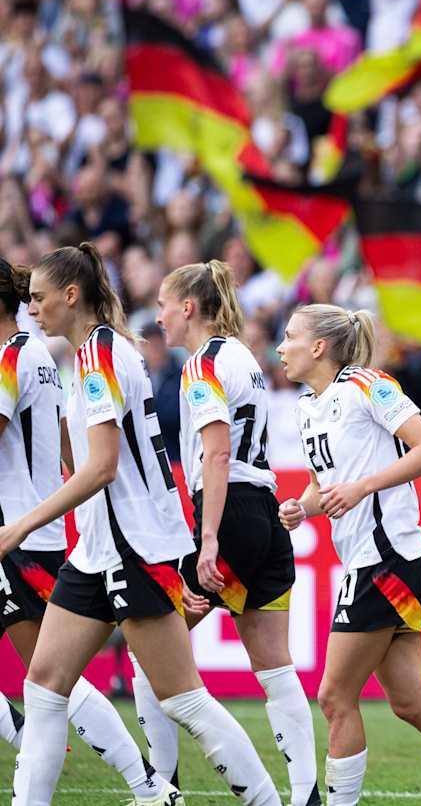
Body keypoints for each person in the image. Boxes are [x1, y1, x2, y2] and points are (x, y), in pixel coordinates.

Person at [0, 244, 281, 806]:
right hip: (99, 549)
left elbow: (102, 467)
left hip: (133, 546)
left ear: (70, 296)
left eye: (39, 298)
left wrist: (21, 526)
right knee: (45, 687)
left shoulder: (99, 356)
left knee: (183, 698)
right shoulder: (97, 353)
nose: (31, 309)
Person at [276, 304, 421, 806]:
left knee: (334, 697)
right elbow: (322, 484)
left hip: (384, 559)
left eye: (289, 337)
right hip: (372, 560)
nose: (280, 347)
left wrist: (362, 487)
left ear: (318, 347)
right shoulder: (306, 407)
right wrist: (302, 508)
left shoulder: (367, 385)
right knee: (412, 702)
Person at [0, 256, 187, 806]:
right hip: (32, 530)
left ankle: (147, 784)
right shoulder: (39, 354)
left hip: (17, 536)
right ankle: (36, 747)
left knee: (51, 679)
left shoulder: (15, 357)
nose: (38, 307)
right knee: (48, 679)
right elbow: (65, 435)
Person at [135, 260, 319, 805]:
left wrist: (208, 536)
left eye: (164, 306)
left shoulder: (203, 364)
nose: (159, 318)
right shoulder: (244, 357)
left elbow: (216, 453)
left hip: (227, 510)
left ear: (189, 307)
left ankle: (162, 789)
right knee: (276, 667)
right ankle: (306, 794)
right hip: (265, 510)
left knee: (152, 652)